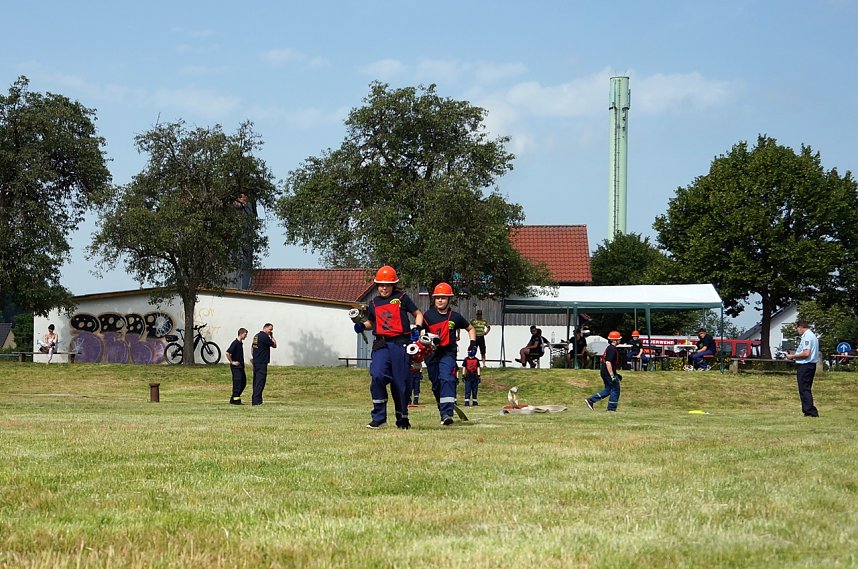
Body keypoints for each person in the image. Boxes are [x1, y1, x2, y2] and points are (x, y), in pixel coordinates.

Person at [353, 265, 423, 430]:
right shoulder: (373, 303)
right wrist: (362, 326)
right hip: (381, 343)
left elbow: (418, 314)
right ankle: (379, 417)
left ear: (393, 285)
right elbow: (372, 322)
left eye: (387, 285)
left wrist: (417, 329)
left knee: (401, 383)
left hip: (400, 343)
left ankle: (402, 418)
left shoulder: (403, 298)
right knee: (377, 375)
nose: (384, 288)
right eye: (381, 285)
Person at [423, 282, 476, 425]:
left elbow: (470, 328)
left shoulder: (456, 317)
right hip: (431, 354)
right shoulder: (427, 316)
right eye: (438, 297)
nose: (440, 300)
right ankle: (442, 409)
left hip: (448, 353)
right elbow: (420, 332)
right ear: (434, 299)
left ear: (449, 299)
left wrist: (473, 343)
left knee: (447, 379)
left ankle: (447, 413)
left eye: (444, 298)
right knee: (436, 384)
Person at [785, 320, 820, 417]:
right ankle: (808, 410)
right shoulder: (813, 336)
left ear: (800, 327)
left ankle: (810, 411)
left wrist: (793, 356)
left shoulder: (807, 337)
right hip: (810, 365)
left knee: (804, 389)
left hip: (805, 365)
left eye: (797, 328)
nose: (797, 331)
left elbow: (806, 353)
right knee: (806, 388)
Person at [585, 330, 622, 412]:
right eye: (619, 339)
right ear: (614, 340)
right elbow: (608, 362)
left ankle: (591, 400)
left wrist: (616, 374)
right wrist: (612, 375)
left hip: (604, 371)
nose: (620, 340)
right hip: (608, 372)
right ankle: (611, 409)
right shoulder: (612, 349)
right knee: (615, 389)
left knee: (608, 389)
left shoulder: (609, 348)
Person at [251, 323, 277, 406]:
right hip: (262, 362)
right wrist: (272, 336)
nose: (271, 331)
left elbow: (252, 347)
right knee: (260, 381)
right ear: (265, 328)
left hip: (256, 361)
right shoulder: (265, 337)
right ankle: (257, 401)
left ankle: (255, 399)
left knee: (256, 381)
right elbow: (274, 345)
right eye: (270, 329)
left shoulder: (256, 336)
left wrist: (254, 357)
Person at [225, 327, 248, 405]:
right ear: (241, 334)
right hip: (236, 368)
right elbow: (228, 353)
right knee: (237, 383)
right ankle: (236, 400)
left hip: (241, 367)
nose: (246, 336)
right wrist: (232, 362)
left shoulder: (240, 343)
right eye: (245, 334)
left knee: (243, 382)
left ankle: (234, 397)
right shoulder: (235, 343)